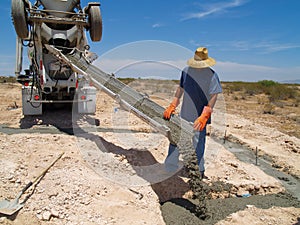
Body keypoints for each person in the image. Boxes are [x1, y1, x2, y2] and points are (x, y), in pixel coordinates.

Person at [163, 47, 222, 179]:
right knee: (176, 137)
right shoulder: (186, 71)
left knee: (198, 141)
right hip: (185, 113)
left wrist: (205, 115)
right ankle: (170, 167)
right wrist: (173, 104)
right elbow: (180, 88)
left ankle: (198, 171)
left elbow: (214, 95)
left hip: (200, 116)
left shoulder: (212, 75)